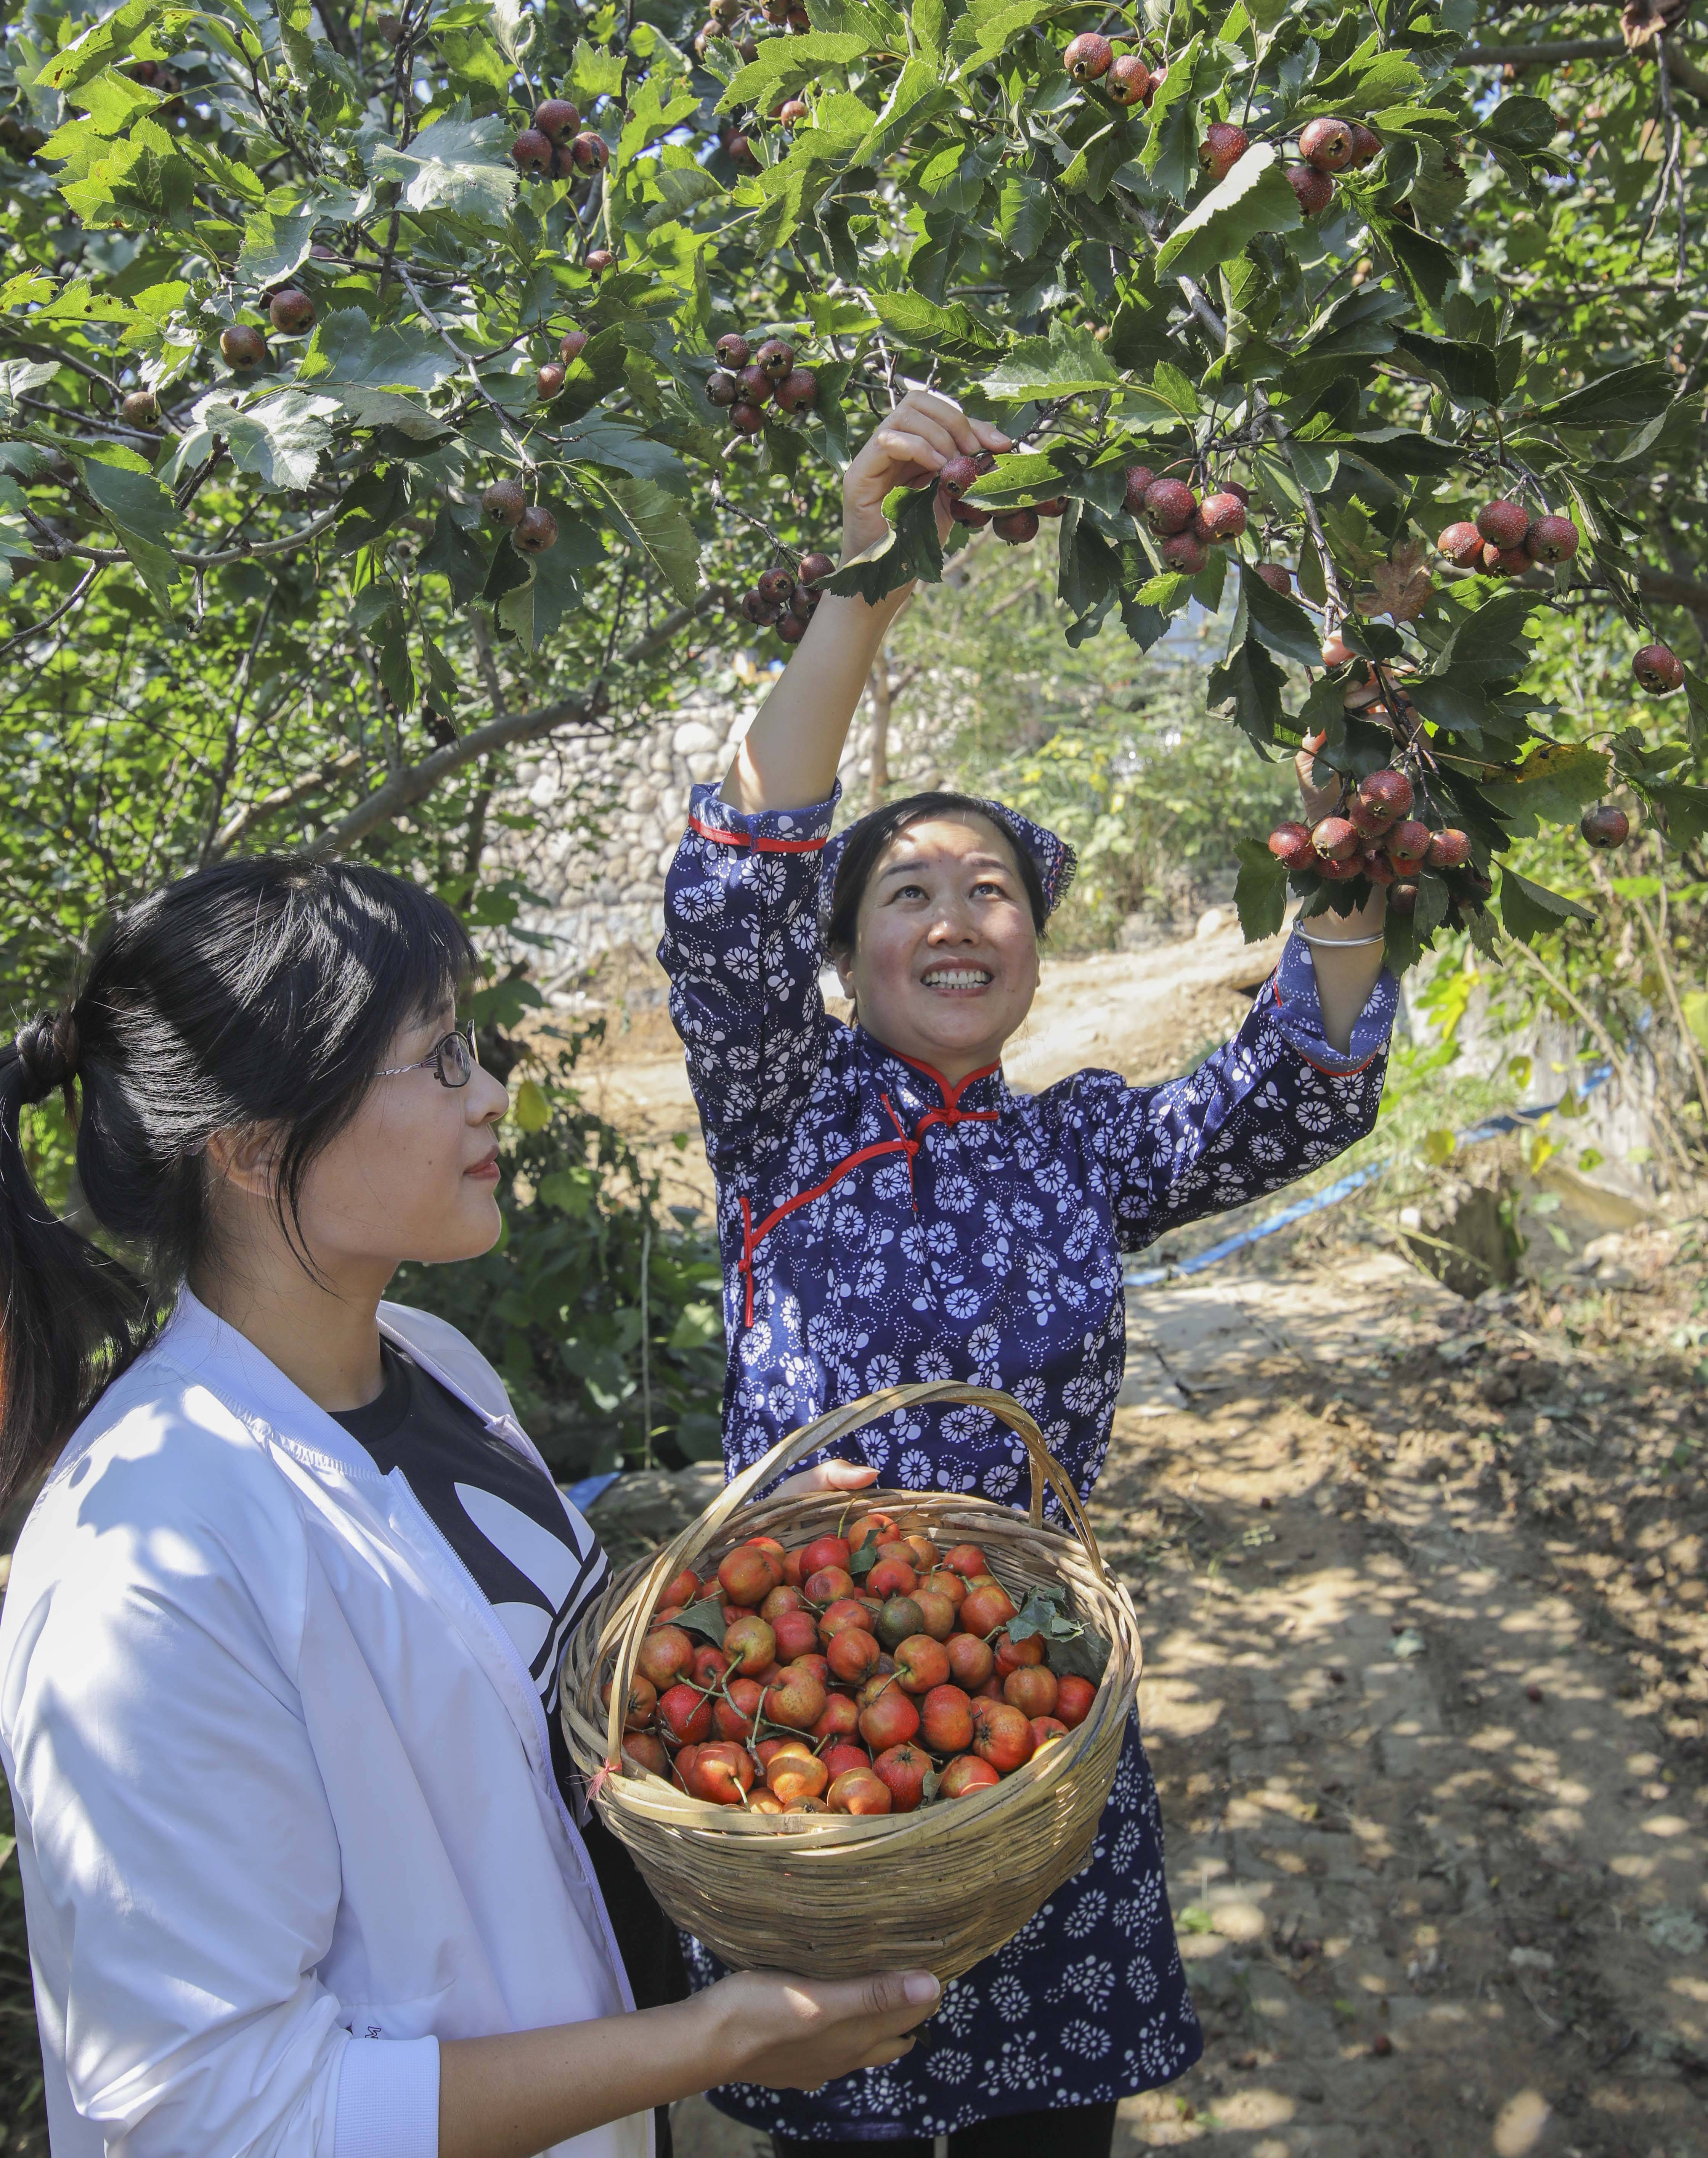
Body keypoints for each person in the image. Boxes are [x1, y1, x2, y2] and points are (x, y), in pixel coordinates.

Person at [658, 389, 1398, 2153]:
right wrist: (871, 573)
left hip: (1027, 1722)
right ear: (842, 961)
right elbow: (722, 897)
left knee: (1039, 2132)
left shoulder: (1070, 1144)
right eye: (904, 891)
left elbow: (1293, 1093)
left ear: (1033, 952)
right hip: (794, 1724)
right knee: (835, 2103)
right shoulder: (781, 1114)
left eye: (988, 889)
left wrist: (1360, 823)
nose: (952, 917)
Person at [0, 857, 938, 2158]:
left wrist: (721, 1570)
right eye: (442, 1058)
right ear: (256, 1147)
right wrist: (719, 2042)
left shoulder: (431, 1358)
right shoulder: (146, 1569)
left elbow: (507, 1692)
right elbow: (211, 2115)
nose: (493, 1093)